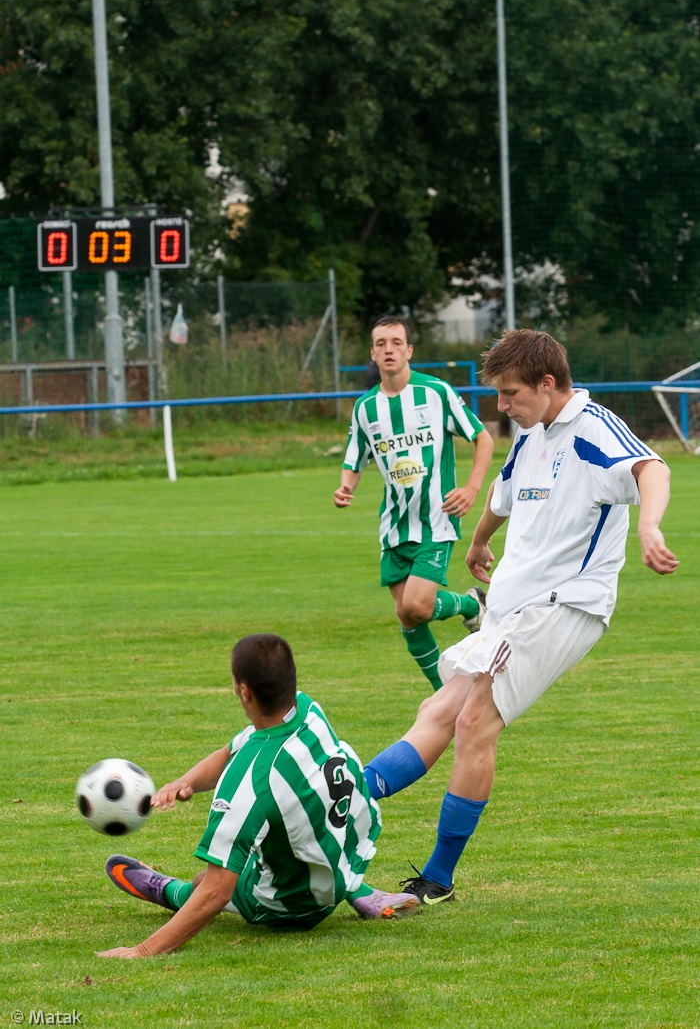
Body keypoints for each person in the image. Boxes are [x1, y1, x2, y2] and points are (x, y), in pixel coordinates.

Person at [361, 328, 679, 904]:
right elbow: (502, 495)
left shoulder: (592, 429)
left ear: (548, 383)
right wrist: (480, 541)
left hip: (564, 605)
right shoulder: (531, 437)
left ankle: (437, 877)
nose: (502, 406)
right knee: (437, 708)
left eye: (510, 394)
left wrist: (650, 525)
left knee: (474, 723)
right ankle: (346, 799)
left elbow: (652, 470)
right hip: (510, 610)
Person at [97, 633, 418, 958]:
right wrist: (188, 781)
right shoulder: (307, 710)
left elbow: (216, 892)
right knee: (294, 819)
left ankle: (169, 891)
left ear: (244, 692)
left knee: (201, 883)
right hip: (348, 847)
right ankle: (359, 892)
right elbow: (230, 751)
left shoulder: (252, 779)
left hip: (294, 904)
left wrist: (143, 950)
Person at [334, 316, 495, 691]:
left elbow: (482, 438)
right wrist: (345, 487)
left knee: (418, 606)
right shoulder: (365, 408)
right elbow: (353, 460)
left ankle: (472, 606)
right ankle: (443, 694)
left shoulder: (435, 393)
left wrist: (471, 488)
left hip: (437, 519)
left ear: (409, 350)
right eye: (380, 344)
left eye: (395, 342)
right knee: (407, 616)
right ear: (372, 354)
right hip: (394, 525)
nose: (388, 349)